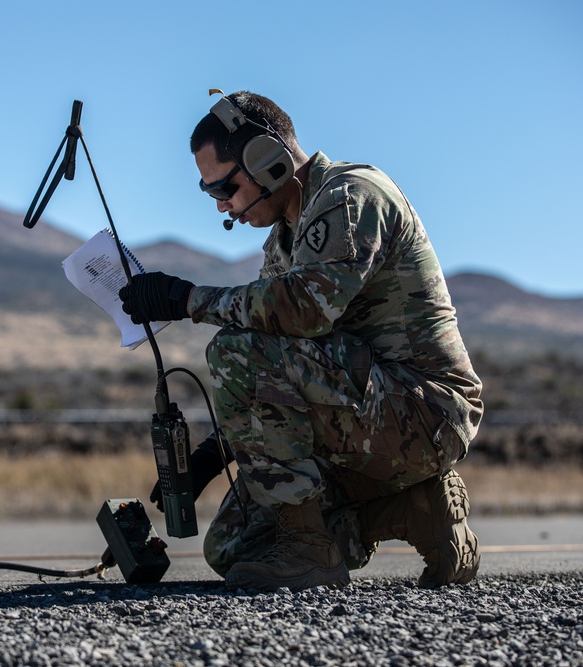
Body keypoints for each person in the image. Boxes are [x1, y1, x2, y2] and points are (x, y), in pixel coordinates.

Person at [119, 90, 484, 592]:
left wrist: (185, 299)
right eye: (210, 194)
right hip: (364, 415)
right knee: (233, 547)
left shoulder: (349, 196)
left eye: (224, 186)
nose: (222, 204)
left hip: (425, 415)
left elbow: (302, 312)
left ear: (267, 162)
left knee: (231, 348)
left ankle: (310, 550)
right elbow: (279, 374)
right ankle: (416, 510)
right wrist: (209, 456)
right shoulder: (284, 238)